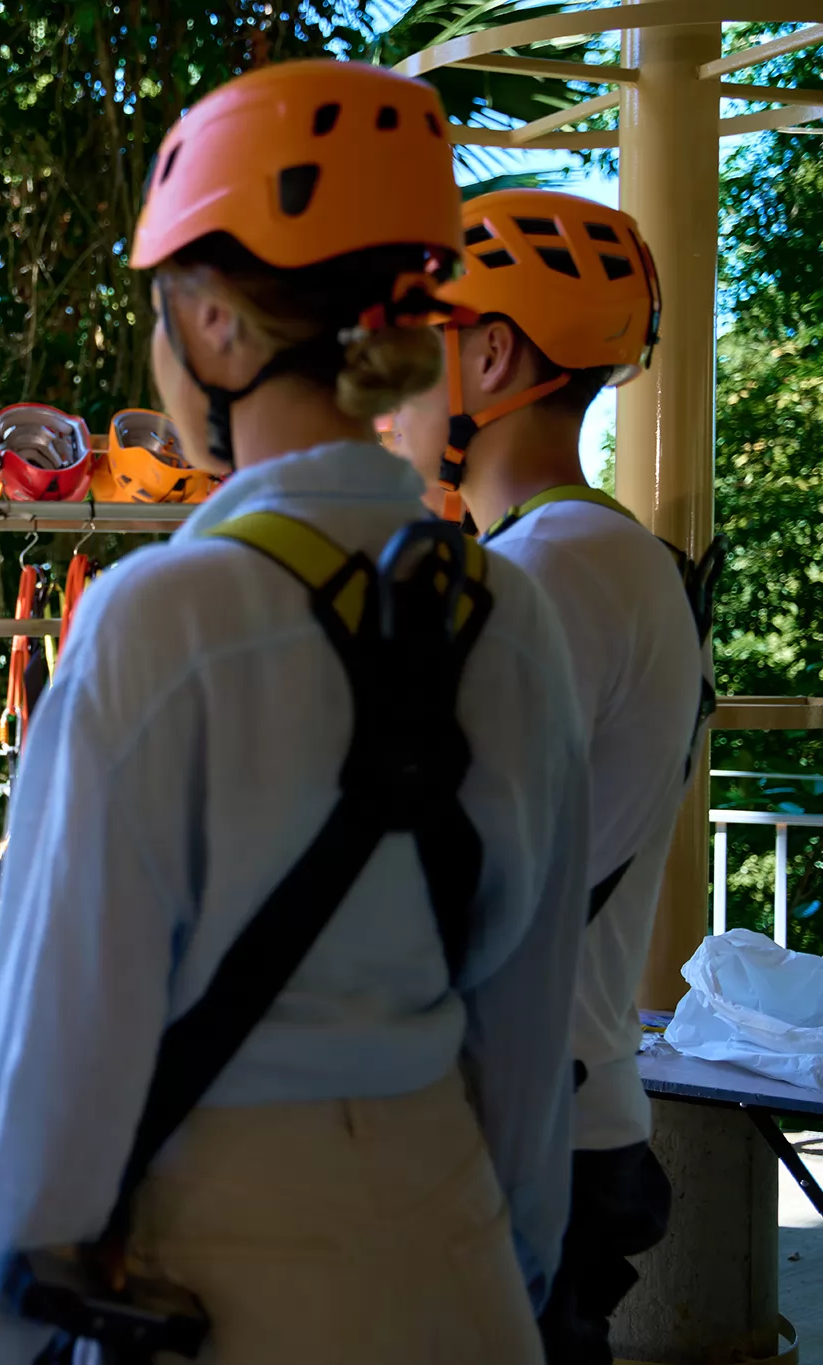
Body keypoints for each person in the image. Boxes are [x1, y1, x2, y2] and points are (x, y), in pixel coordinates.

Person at [0, 61, 590, 1364]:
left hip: (215, 1287)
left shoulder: (158, 625)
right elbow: (525, 1044)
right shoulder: (513, 618)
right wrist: (502, 1275)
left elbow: (51, 1072)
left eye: (162, 309)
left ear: (217, 326)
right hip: (460, 1276)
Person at [391, 190, 702, 1364]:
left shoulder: (551, 572)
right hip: (551, 1113)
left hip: (516, 1128)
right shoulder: (583, 556)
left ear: (488, 354)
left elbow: (432, 863)